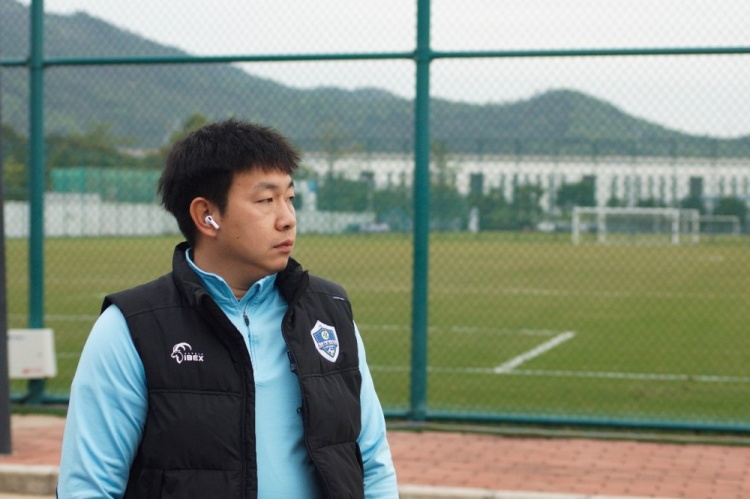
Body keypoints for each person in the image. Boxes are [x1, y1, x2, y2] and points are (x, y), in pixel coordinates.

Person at [58, 119, 399, 498]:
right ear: (207, 215)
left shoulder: (329, 311)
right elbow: (87, 487)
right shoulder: (130, 328)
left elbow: (373, 464)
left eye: (290, 198)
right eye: (266, 200)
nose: (288, 219)